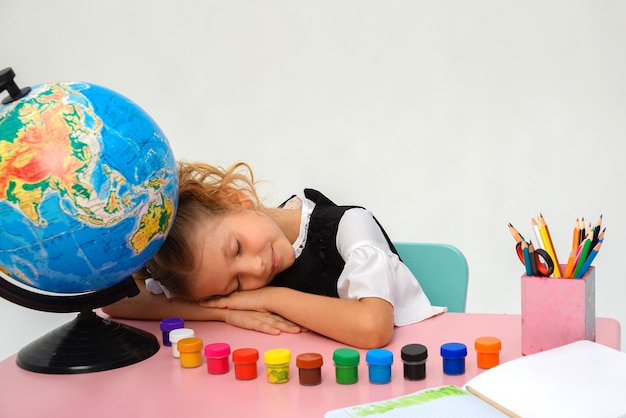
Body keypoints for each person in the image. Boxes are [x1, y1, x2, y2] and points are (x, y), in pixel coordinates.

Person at [103, 161, 445, 349]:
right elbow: (118, 303)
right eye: (235, 284)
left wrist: (272, 297)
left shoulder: (349, 225)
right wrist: (224, 314)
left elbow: (372, 329)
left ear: (234, 199)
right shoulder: (241, 276)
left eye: (236, 248)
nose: (256, 268)